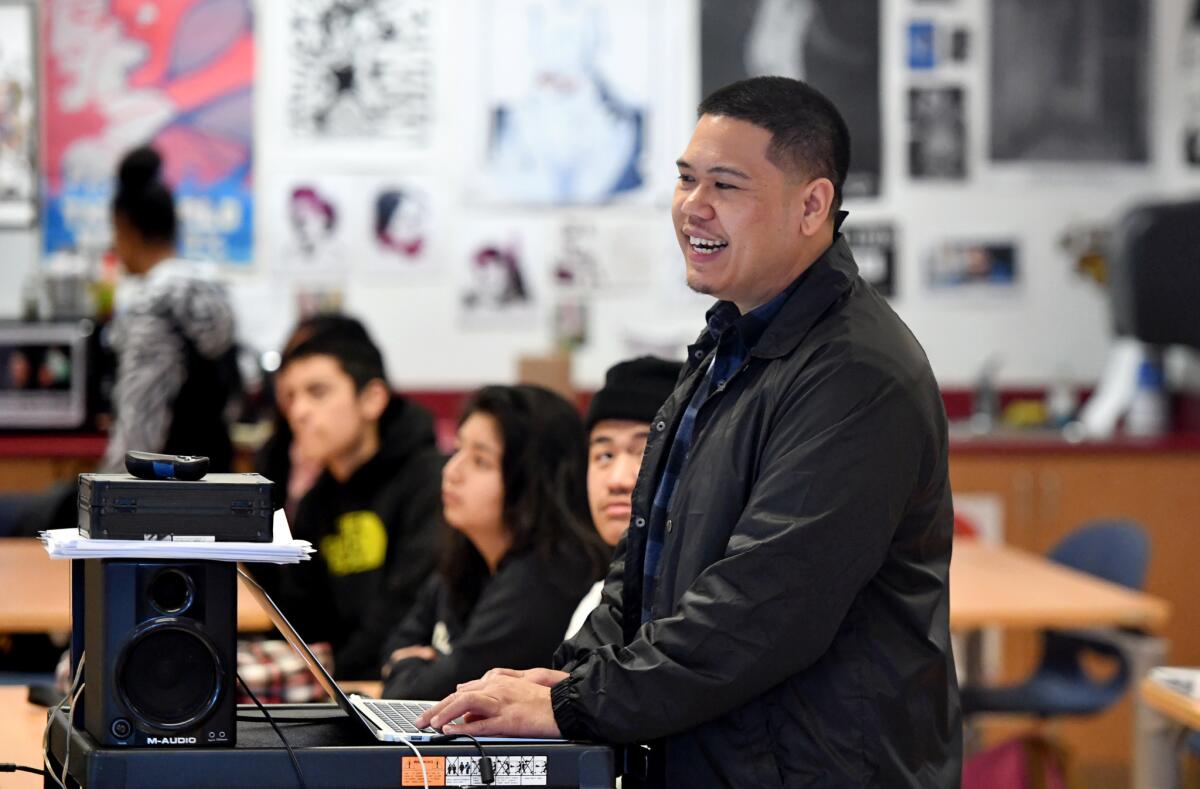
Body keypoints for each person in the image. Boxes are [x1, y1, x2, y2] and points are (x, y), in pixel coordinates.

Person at [418, 76, 961, 787]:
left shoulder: (857, 374)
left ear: (812, 204)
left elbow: (763, 606)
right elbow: (644, 560)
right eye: (685, 179)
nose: (692, 207)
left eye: (725, 186)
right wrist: (569, 673)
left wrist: (575, 702)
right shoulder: (729, 342)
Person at [380, 385, 609, 701]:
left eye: (480, 461)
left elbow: (426, 693)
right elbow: (395, 647)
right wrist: (411, 666)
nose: (451, 472)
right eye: (457, 450)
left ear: (531, 481)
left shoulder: (545, 579)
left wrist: (412, 666)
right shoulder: (469, 556)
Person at [251, 317, 443, 680]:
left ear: (372, 399)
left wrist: (331, 676)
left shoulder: (429, 482)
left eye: (318, 392)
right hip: (343, 685)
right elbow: (299, 621)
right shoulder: (315, 502)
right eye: (291, 396)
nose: (299, 412)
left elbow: (405, 613)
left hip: (407, 688)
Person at [103, 144, 238, 472]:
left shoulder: (151, 306)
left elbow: (140, 425)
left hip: (162, 489)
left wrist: (103, 491)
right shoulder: (211, 290)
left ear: (126, 229)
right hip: (214, 475)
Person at [565, 356, 682, 639]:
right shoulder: (595, 599)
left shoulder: (694, 604)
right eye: (604, 455)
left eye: (645, 452)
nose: (617, 481)